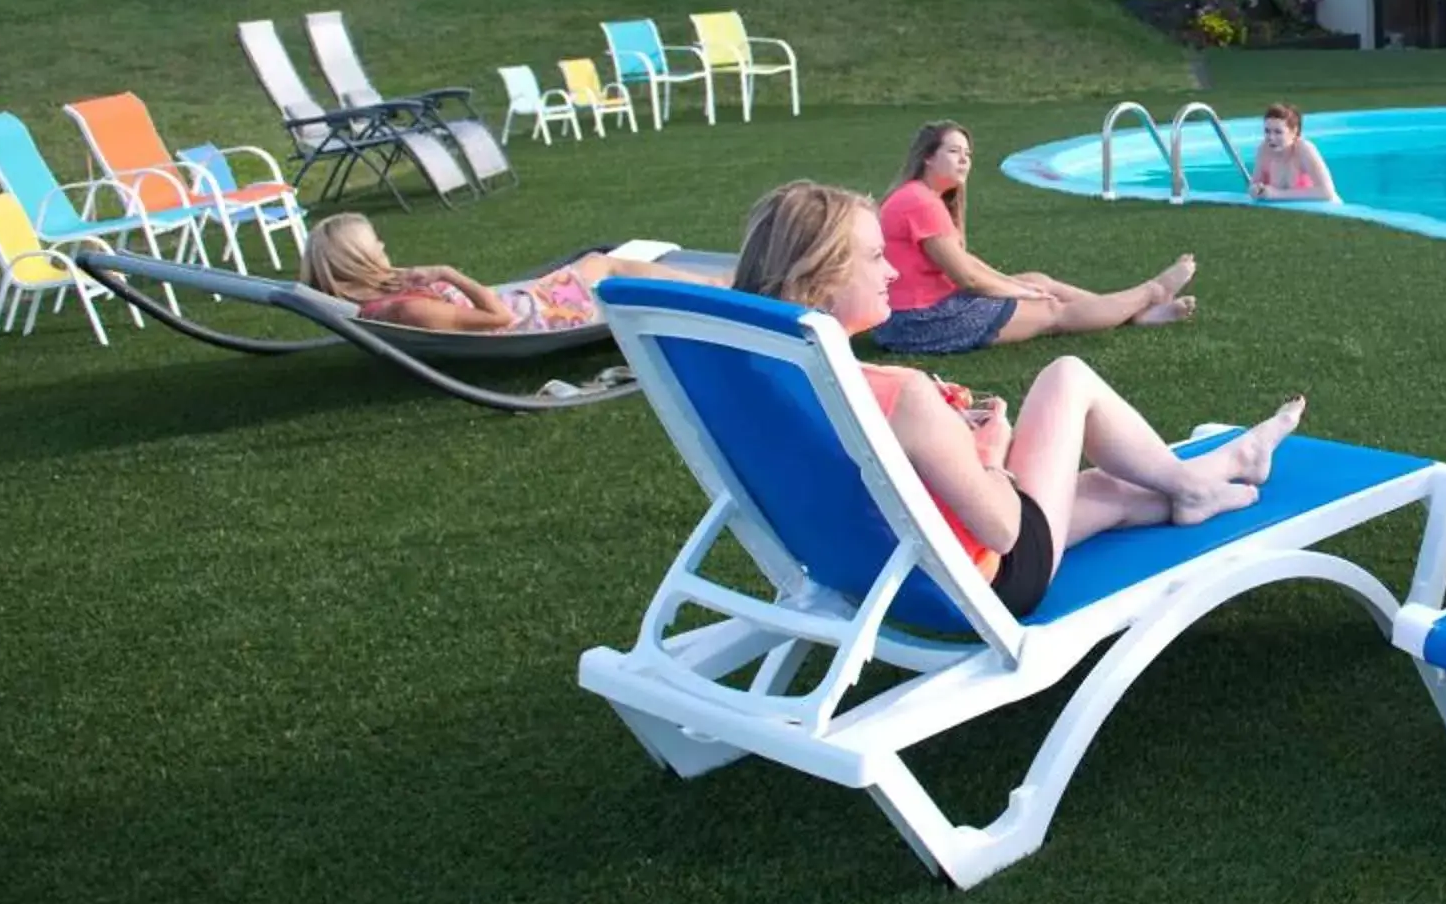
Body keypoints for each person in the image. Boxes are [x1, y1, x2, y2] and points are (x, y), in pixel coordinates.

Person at [735, 180, 1305, 616]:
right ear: (822, 279)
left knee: (1112, 490)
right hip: (987, 576)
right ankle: (1194, 483)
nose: (891, 271)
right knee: (1067, 377)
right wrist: (989, 445)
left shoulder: (760, 376)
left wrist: (942, 432)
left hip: (882, 564)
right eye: (875, 257)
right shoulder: (900, 394)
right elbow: (1004, 529)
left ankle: (1224, 468)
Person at [872, 120, 1197, 356]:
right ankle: (1151, 292)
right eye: (954, 151)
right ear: (928, 157)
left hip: (918, 313)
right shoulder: (920, 202)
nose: (964, 161)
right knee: (1053, 311)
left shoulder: (920, 197)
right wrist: (1020, 293)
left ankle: (1136, 313)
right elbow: (967, 277)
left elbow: (965, 263)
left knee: (1039, 281)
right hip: (920, 323)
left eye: (967, 154)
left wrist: (1019, 285)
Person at [297, 211, 724, 333]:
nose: (385, 249)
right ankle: (718, 289)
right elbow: (498, 320)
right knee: (604, 266)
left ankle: (714, 286)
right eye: (378, 246)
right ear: (358, 260)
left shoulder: (381, 301)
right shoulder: (406, 313)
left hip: (525, 306)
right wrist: (449, 273)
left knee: (598, 262)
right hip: (534, 318)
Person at [1245, 101, 1339, 203]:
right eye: (1267, 131)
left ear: (1294, 131)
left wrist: (1276, 194)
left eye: (1278, 132)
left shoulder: (1304, 149)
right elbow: (1254, 185)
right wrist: (1256, 189)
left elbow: (1326, 192)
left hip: (1329, 209)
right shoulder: (1264, 150)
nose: (1271, 138)